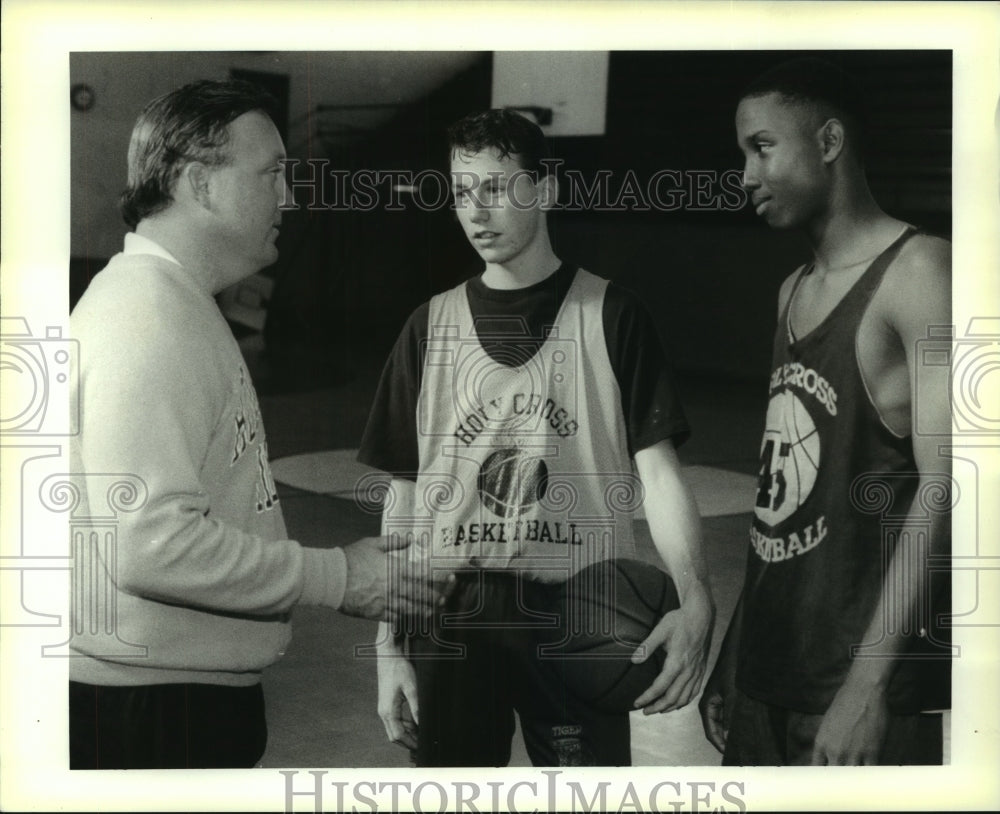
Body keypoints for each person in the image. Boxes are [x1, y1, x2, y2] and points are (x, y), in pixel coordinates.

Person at [68, 79, 452, 770]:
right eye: (272, 173)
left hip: (174, 696)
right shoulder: (146, 316)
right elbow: (149, 545)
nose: (291, 196)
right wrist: (338, 577)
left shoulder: (171, 304)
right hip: (155, 712)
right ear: (198, 184)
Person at [358, 109, 715, 767]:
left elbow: (660, 475)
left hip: (582, 616)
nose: (475, 211)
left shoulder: (614, 315)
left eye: (495, 188)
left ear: (545, 188)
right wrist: (388, 648)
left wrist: (696, 595)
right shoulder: (427, 325)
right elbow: (401, 501)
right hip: (453, 618)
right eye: (462, 192)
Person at [699, 58, 952, 766]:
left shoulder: (924, 273)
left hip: (858, 687)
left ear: (830, 142)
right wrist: (738, 647)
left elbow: (949, 490)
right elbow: (783, 503)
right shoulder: (790, 291)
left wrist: (867, 689)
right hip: (770, 673)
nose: (745, 174)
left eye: (762, 147)